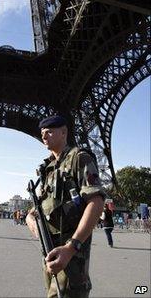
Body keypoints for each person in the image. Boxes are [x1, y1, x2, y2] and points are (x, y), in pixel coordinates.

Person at [26, 115, 105, 298]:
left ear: (64, 133)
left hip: (71, 255)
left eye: (49, 132)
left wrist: (71, 247)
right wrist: (31, 221)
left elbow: (97, 201)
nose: (44, 137)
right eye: (42, 134)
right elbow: (37, 209)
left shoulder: (79, 158)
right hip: (50, 251)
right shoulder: (48, 168)